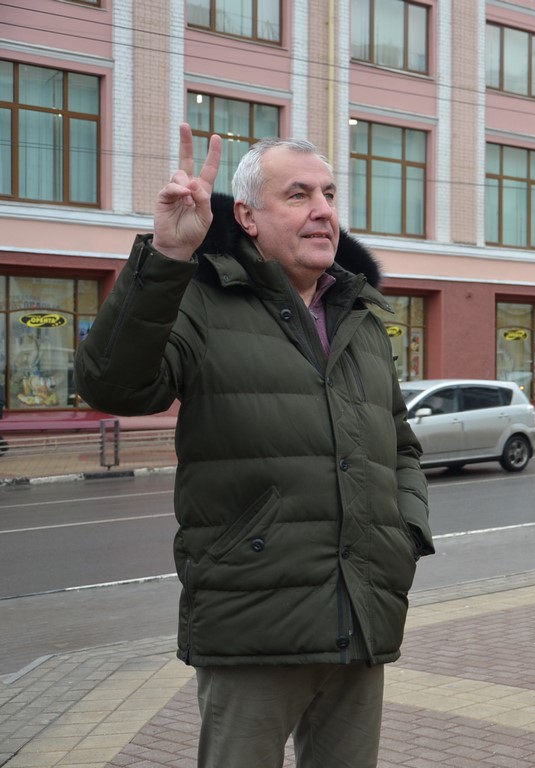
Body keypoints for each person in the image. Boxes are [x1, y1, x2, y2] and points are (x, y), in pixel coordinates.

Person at [75, 124, 434, 768]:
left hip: (362, 611)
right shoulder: (199, 299)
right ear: (246, 215)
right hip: (254, 621)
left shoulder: (361, 317)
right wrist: (164, 260)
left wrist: (402, 533)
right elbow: (114, 385)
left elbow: (400, 445)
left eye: (328, 193)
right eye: (298, 195)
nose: (323, 210)